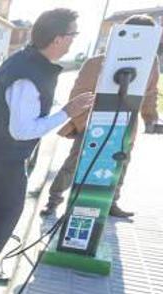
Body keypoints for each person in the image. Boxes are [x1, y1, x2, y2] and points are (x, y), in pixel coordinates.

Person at [0, 8, 95, 282]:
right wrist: (67, 112)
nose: (74, 40)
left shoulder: (23, 62)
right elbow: (22, 130)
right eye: (73, 35)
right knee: (10, 210)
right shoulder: (29, 75)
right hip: (7, 153)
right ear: (58, 38)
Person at [40, 14, 161, 219]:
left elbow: (149, 93)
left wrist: (150, 118)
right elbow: (80, 93)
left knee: (120, 163)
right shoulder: (97, 63)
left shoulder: (150, 63)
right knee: (75, 162)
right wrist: (83, 124)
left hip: (125, 124)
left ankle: (111, 202)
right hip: (93, 124)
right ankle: (54, 201)